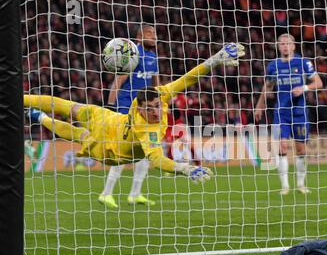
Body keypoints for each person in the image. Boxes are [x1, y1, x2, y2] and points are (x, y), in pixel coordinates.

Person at [24, 43, 245, 187]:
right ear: (139, 108)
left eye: (158, 106)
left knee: (79, 134)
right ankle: (20, 98)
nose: (156, 111)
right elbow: (158, 160)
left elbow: (186, 79)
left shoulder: (155, 106)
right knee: (67, 106)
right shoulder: (143, 119)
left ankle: (39, 117)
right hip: (112, 129)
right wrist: (185, 168)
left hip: (110, 146)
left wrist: (215, 59)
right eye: (150, 108)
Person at [254, 33, 323, 195]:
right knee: (282, 147)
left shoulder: (303, 62)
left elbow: (318, 82)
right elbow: (267, 87)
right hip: (281, 112)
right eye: (282, 44)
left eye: (288, 43)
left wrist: (304, 88)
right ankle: (285, 186)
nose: (285, 46)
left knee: (301, 150)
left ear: (293, 46)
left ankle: (300, 184)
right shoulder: (273, 66)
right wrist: (259, 106)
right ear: (278, 47)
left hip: (299, 112)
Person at [100, 24, 160, 209]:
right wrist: (110, 106)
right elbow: (118, 82)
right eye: (150, 33)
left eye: (155, 33)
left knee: (145, 151)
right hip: (126, 107)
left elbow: (155, 84)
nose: (154, 36)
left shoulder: (153, 57)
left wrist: (160, 104)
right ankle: (106, 193)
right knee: (123, 150)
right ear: (139, 37)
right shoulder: (133, 54)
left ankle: (135, 194)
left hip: (143, 111)